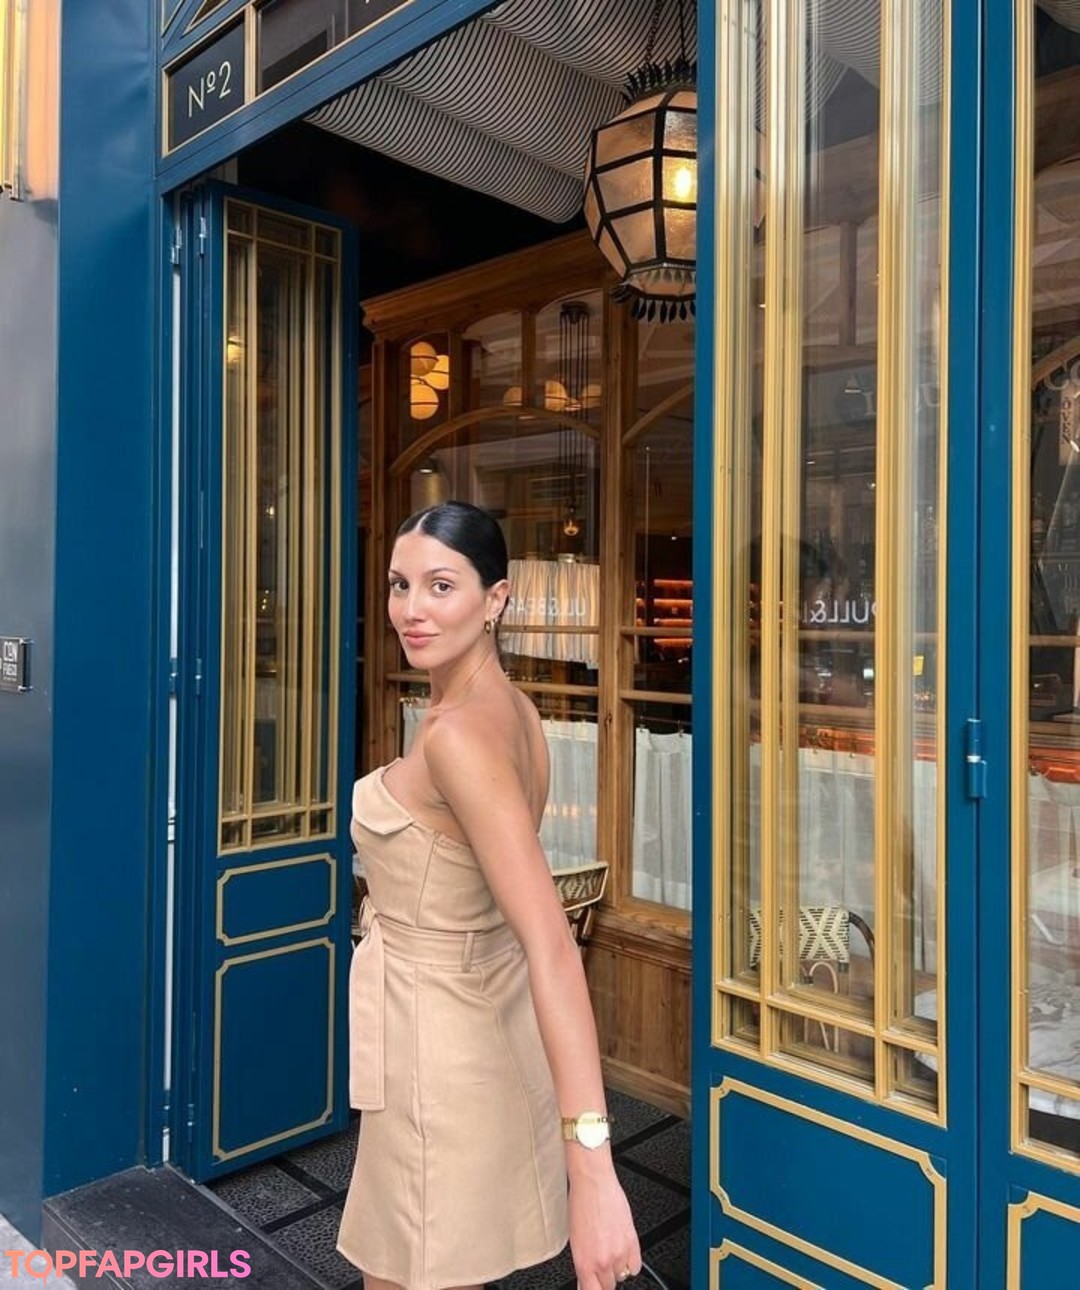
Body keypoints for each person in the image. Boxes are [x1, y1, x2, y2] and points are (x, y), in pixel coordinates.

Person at [338, 500, 642, 1290]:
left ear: (495, 598)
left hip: (437, 1051)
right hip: (474, 1023)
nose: (412, 609)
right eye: (400, 585)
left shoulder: (458, 737)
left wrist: (593, 1171)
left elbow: (551, 944)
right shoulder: (515, 711)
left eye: (442, 586)